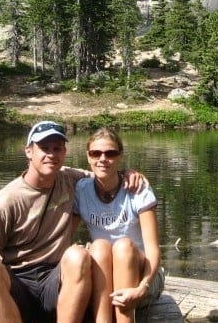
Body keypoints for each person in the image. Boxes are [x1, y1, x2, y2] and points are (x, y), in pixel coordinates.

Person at [0, 121, 144, 323]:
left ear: (64, 152)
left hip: (57, 281)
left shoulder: (71, 180)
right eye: (44, 148)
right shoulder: (3, 203)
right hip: (19, 283)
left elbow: (105, 177)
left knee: (78, 255)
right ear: (29, 152)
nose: (51, 154)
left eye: (57, 149)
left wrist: (128, 173)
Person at [74, 127, 163, 323]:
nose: (102, 159)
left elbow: (153, 250)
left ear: (120, 156)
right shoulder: (81, 190)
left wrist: (143, 287)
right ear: (88, 157)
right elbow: (64, 236)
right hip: (104, 273)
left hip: (145, 276)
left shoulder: (138, 189)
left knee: (123, 247)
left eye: (110, 153)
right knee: (98, 246)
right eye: (96, 153)